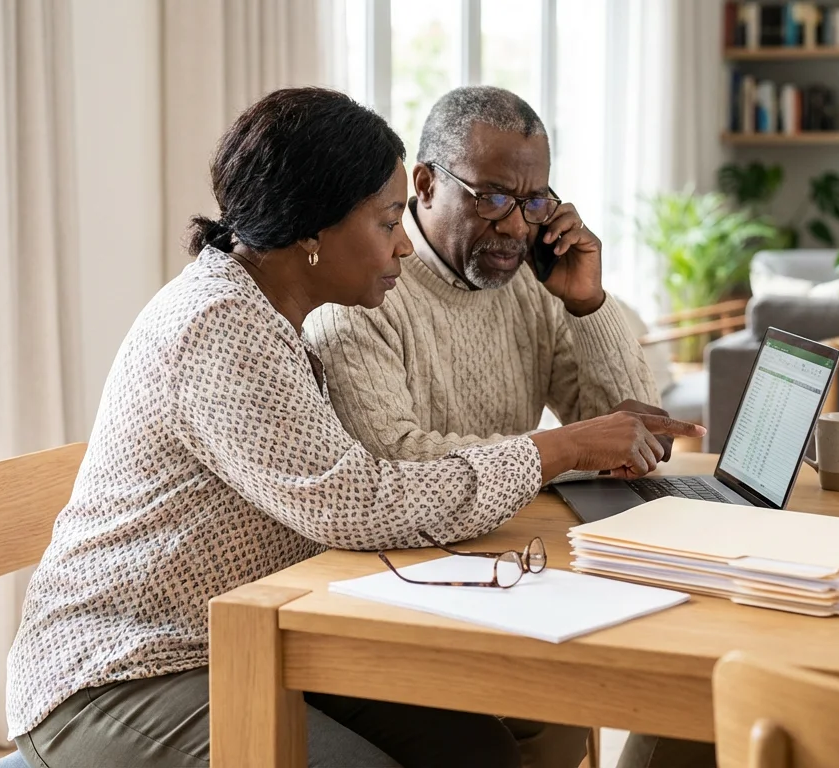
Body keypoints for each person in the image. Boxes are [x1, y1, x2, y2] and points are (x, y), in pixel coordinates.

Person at [4, 86, 705, 768]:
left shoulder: (269, 313)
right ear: (311, 229)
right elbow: (355, 501)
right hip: (124, 668)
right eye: (386, 221)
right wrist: (561, 447)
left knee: (480, 751)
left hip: (259, 629)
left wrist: (575, 399)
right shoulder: (219, 327)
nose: (403, 246)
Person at [306, 85, 716, 768]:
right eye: (492, 197)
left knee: (690, 674)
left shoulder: (531, 281)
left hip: (507, 558)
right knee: (612, 683)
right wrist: (564, 450)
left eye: (534, 202)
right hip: (406, 580)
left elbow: (640, 439)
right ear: (427, 184)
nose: (517, 228)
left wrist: (588, 305)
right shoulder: (363, 287)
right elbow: (394, 458)